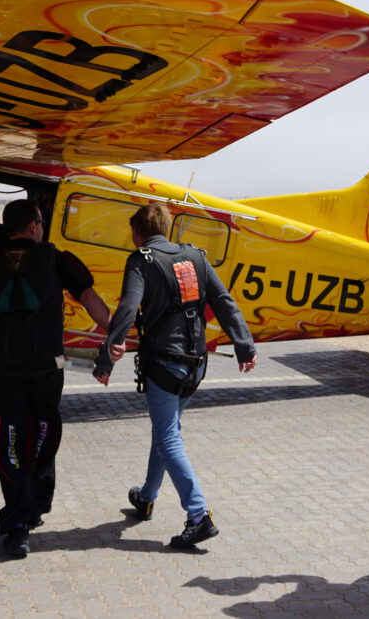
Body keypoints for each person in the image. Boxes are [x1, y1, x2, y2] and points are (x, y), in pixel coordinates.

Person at [0, 199, 110, 559]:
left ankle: (17, 523)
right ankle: (36, 507)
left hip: (2, 371)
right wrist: (115, 340)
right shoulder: (56, 259)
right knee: (44, 428)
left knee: (12, 436)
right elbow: (95, 306)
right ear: (34, 226)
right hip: (47, 368)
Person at [93, 203, 257, 549]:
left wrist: (108, 356)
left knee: (168, 437)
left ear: (137, 234)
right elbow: (224, 302)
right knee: (166, 429)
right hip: (196, 363)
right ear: (165, 229)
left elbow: (127, 307)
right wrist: (245, 345)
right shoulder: (196, 256)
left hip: (165, 364)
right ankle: (147, 497)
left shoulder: (141, 261)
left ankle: (198, 515)